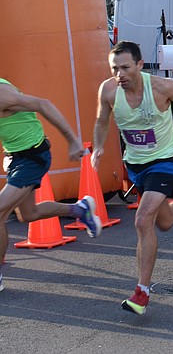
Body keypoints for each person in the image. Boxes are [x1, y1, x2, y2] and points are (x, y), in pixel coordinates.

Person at [93, 41, 173, 314]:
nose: (120, 74)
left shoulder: (160, 87)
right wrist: (99, 145)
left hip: (165, 160)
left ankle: (142, 291)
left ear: (139, 65)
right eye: (115, 68)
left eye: (125, 67)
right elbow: (102, 120)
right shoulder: (109, 90)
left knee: (142, 219)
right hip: (136, 164)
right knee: (165, 221)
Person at [0, 79, 101, 293]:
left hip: (32, 157)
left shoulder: (2, 94)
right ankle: (80, 209)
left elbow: (43, 104)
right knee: (29, 214)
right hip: (16, 157)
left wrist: (73, 140)